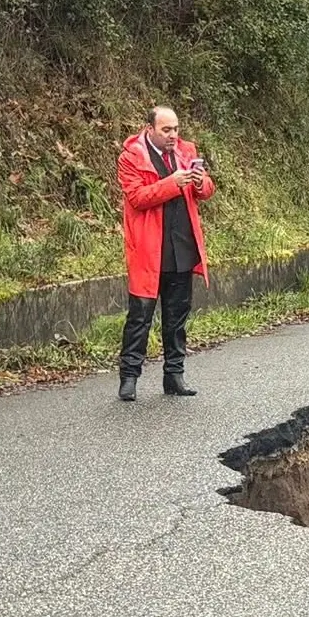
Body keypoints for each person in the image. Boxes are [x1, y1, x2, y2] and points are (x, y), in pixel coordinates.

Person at [117, 105, 216, 401]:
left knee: (177, 317)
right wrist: (172, 184)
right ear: (150, 129)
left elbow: (207, 189)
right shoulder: (131, 157)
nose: (173, 135)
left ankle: (174, 374)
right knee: (140, 317)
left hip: (181, 246)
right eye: (166, 130)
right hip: (149, 250)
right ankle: (129, 377)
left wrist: (200, 182)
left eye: (175, 129)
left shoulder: (185, 151)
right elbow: (137, 197)